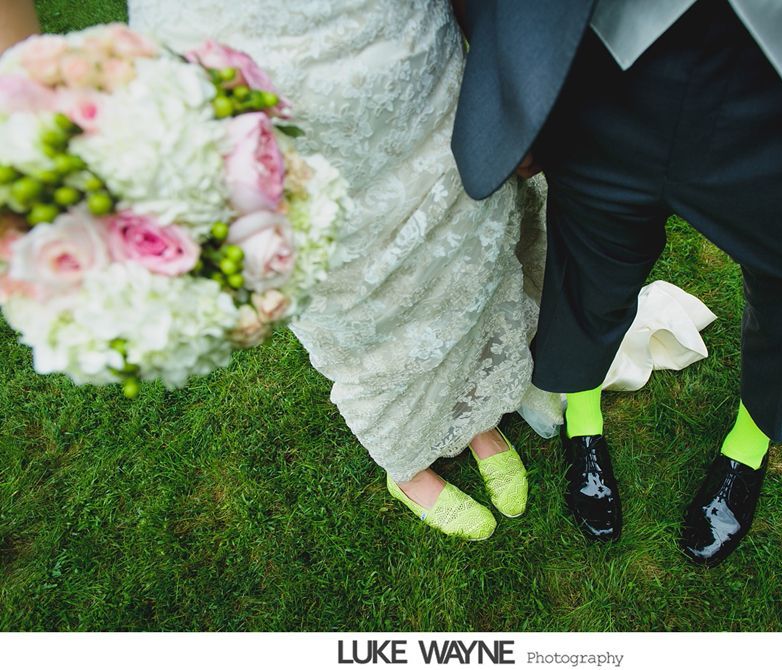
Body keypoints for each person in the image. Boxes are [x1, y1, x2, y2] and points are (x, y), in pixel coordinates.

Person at [2, 0, 714, 542]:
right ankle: (407, 461)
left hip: (400, 47)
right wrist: (36, 138)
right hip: (235, 67)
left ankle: (475, 413)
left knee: (463, 246)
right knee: (347, 290)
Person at [452, 0, 782, 562]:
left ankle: (748, 446)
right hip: (610, 62)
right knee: (588, 265)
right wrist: (515, 87)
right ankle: (583, 419)